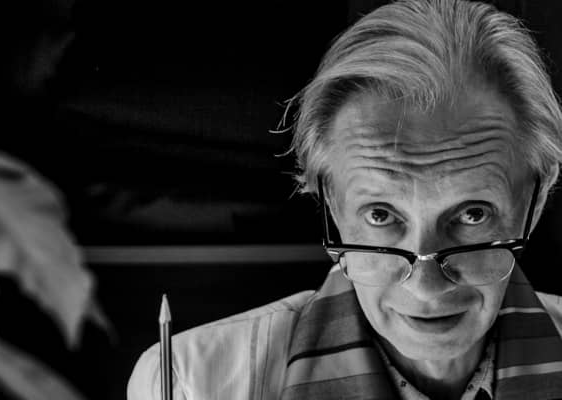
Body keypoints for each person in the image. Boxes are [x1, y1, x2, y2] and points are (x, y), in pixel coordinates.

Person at [127, 0, 562, 398]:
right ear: (331, 204)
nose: (425, 287)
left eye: (472, 214)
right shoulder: (190, 384)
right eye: (381, 215)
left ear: (536, 200)